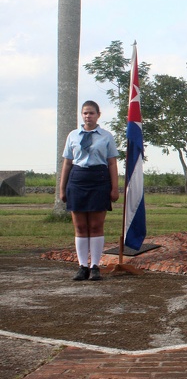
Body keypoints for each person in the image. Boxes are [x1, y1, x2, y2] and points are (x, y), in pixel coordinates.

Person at [59, 101, 120, 281]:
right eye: (85, 113)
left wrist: (115, 188)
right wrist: (62, 189)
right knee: (80, 226)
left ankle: (95, 266)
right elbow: (67, 163)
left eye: (91, 113)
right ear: (82, 115)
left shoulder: (106, 136)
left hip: (99, 179)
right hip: (77, 179)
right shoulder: (73, 136)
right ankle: (82, 266)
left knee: (95, 226)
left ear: (98, 115)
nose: (88, 116)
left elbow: (112, 163)